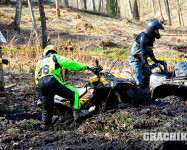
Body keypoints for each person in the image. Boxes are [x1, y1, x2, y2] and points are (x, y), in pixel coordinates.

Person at [35, 45, 93, 126]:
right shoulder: (54, 57)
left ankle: (46, 124)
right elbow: (70, 63)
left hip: (41, 84)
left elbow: (36, 77)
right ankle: (77, 114)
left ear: (45, 53)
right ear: (54, 51)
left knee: (46, 105)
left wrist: (40, 86)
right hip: (52, 80)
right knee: (73, 93)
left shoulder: (39, 62)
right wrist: (86, 67)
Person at [129, 20, 165, 89]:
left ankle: (147, 96)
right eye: (156, 30)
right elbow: (143, 52)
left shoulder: (151, 39)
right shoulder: (143, 37)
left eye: (158, 30)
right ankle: (137, 97)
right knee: (139, 83)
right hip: (135, 61)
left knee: (150, 78)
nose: (157, 32)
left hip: (143, 61)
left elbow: (150, 51)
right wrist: (146, 64)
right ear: (151, 29)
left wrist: (156, 61)